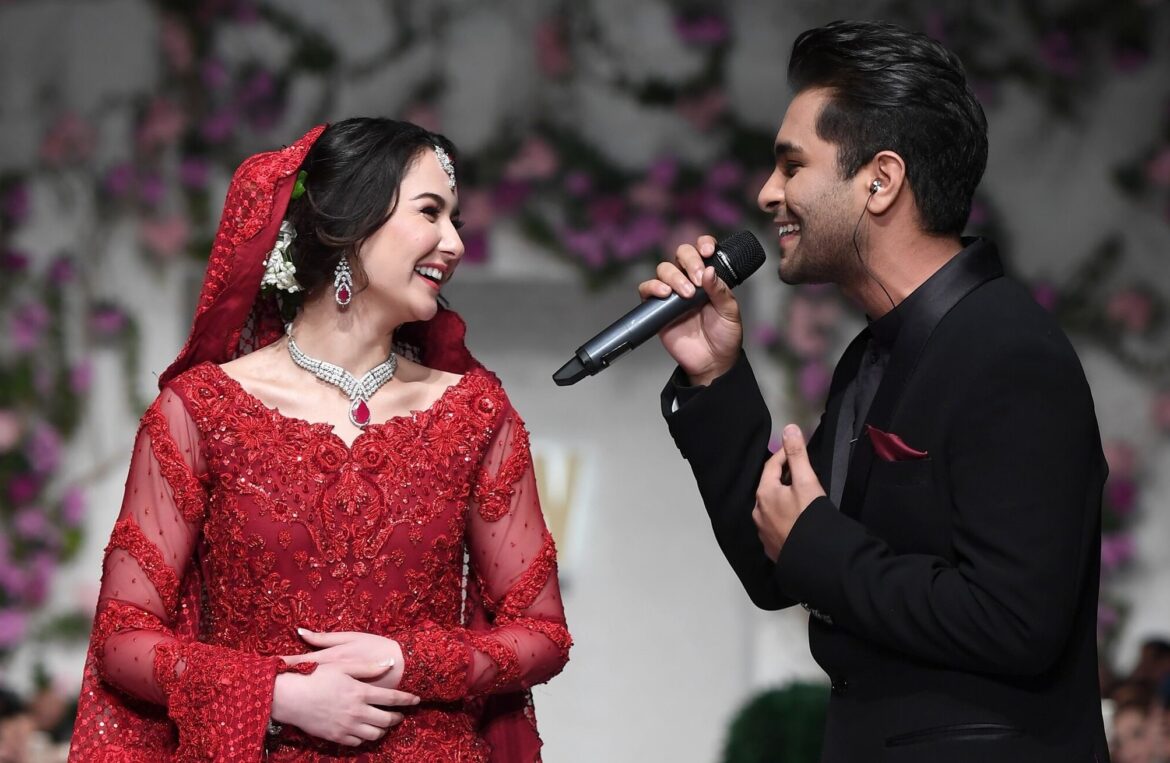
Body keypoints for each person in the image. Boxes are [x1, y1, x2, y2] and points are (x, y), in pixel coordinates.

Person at [639, 20, 1108, 762]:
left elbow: (1016, 620)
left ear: (880, 180)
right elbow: (778, 564)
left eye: (792, 166)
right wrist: (714, 375)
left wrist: (818, 542)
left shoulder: (1009, 351)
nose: (768, 193)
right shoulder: (872, 355)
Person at [69, 118, 571, 761]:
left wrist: (409, 662)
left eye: (456, 221)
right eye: (430, 213)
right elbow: (122, 636)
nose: (454, 243)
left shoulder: (473, 412)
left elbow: (542, 633)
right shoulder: (202, 411)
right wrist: (274, 695)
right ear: (348, 223)